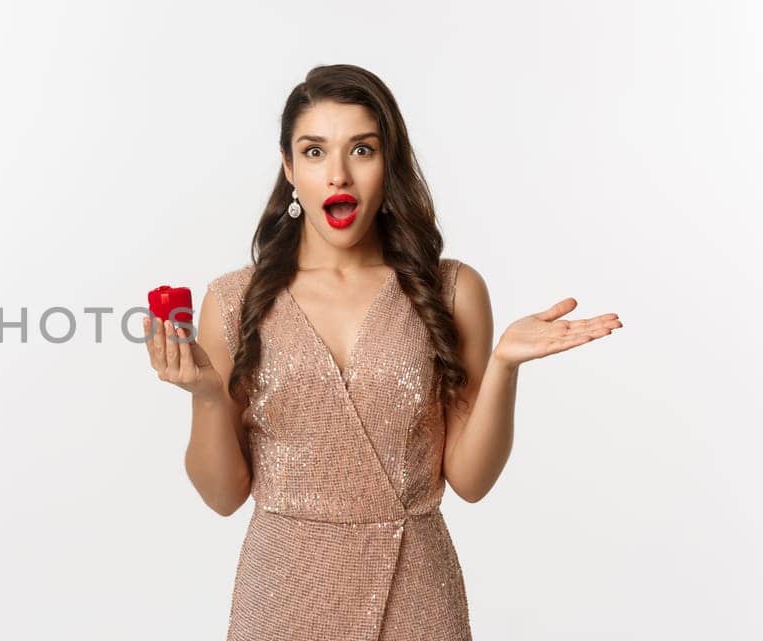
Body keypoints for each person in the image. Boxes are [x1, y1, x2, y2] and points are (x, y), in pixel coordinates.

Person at [141, 64, 622, 640]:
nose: (338, 174)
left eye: (361, 150)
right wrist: (205, 398)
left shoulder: (451, 289)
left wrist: (503, 367)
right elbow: (222, 497)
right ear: (289, 168)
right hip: (284, 595)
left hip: (416, 592)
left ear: (388, 163)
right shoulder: (233, 300)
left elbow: (471, 481)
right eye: (314, 152)